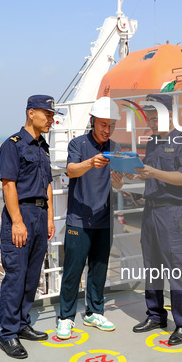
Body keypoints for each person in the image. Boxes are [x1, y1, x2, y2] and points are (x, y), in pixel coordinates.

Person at [131, 93, 182, 346]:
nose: (150, 122)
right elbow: (152, 173)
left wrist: (153, 172)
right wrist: (138, 175)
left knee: (177, 269)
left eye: (154, 117)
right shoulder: (152, 142)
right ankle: (156, 315)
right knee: (152, 266)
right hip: (150, 211)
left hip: (173, 212)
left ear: (169, 115)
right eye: (147, 117)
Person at [56, 97, 124, 339]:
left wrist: (119, 181)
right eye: (103, 124)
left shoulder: (115, 148)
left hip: (104, 218)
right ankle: (65, 317)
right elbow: (71, 170)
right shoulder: (78, 144)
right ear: (93, 121)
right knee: (73, 270)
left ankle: (94, 312)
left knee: (99, 269)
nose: (107, 130)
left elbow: (120, 180)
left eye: (112, 125)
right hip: (79, 219)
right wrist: (90, 162)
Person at [0, 95, 57, 359]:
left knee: (33, 275)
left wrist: (50, 218)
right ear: (31, 113)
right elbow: (8, 184)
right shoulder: (13, 145)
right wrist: (18, 221)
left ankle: (22, 324)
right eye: (48, 114)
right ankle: (8, 334)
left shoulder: (43, 146)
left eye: (53, 115)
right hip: (20, 215)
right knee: (16, 275)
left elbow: (48, 186)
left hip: (40, 215)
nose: (51, 120)